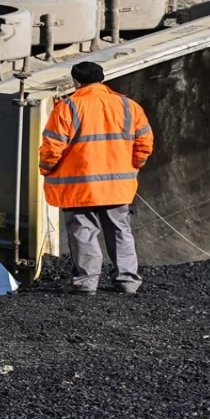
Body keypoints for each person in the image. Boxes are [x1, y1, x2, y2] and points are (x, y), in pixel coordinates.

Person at [38, 61, 154, 295]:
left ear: (76, 81)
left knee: (83, 231)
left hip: (80, 187)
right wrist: (134, 165)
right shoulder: (128, 106)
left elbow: (52, 147)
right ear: (102, 79)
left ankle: (86, 283)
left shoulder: (68, 107)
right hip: (117, 186)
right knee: (120, 230)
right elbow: (145, 142)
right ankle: (127, 281)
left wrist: (46, 168)